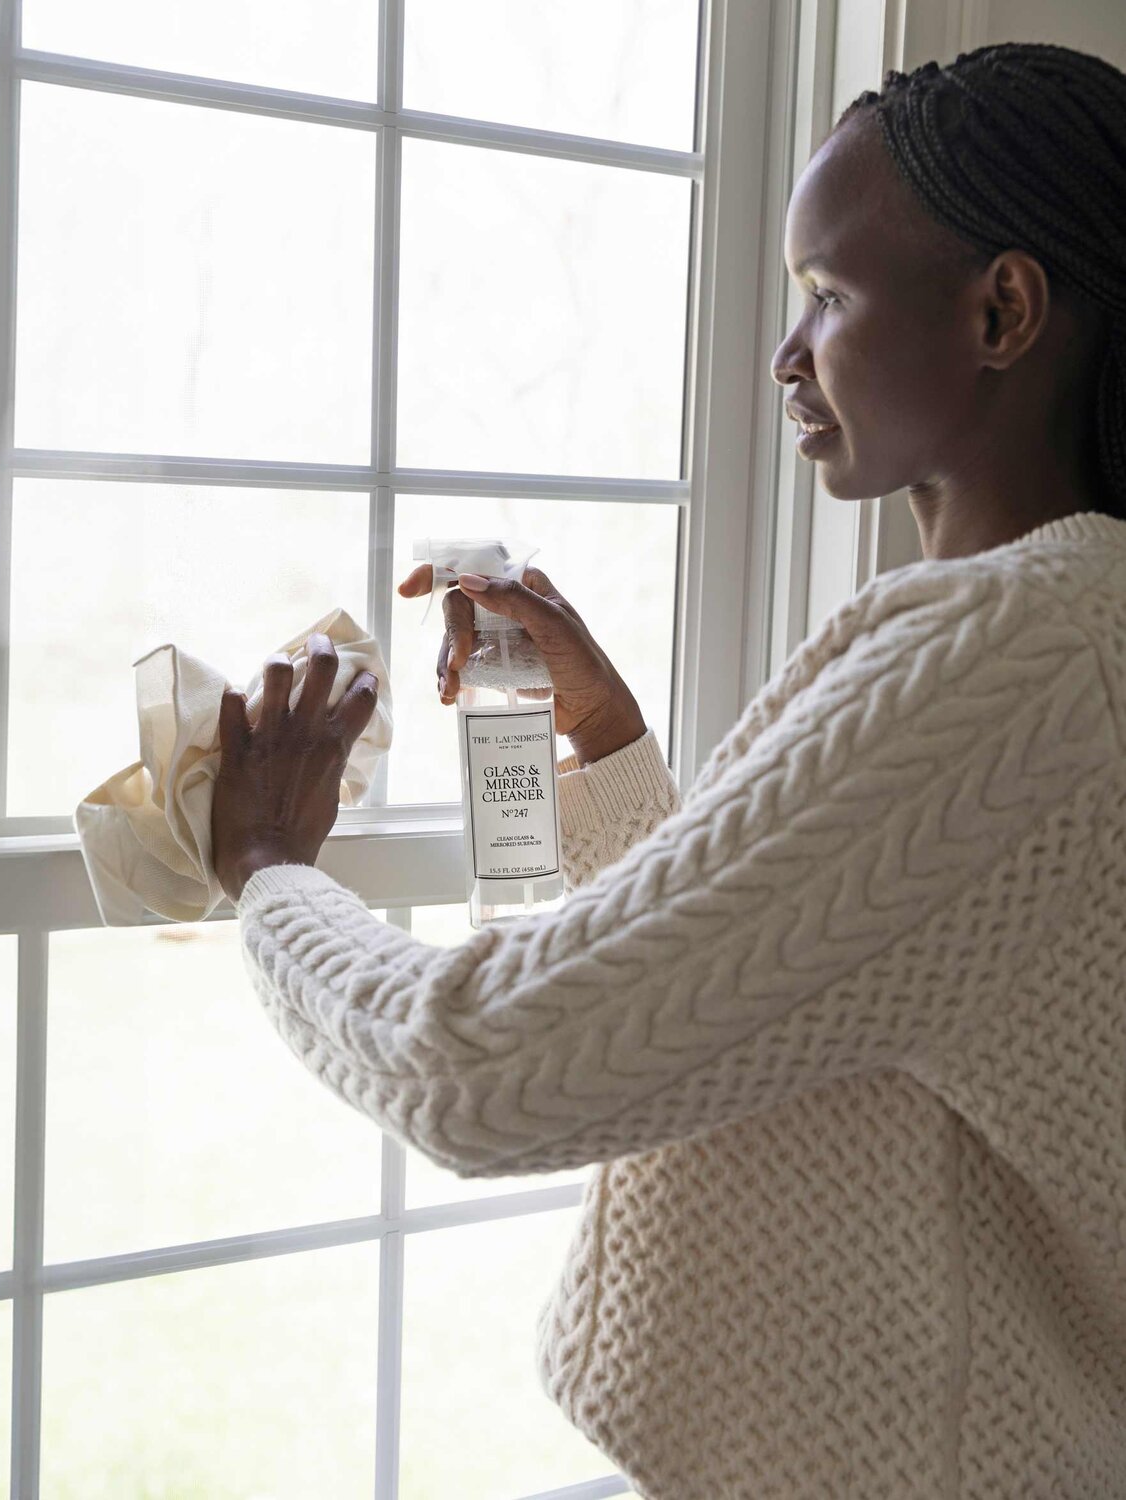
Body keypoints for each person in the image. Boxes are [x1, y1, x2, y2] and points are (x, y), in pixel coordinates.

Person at [211, 44, 1126, 1499]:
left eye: (825, 296)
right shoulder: (1071, 625)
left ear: (1001, 310)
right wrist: (599, 742)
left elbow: (485, 1067)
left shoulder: (1009, 652)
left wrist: (268, 874)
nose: (784, 355)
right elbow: (803, 977)